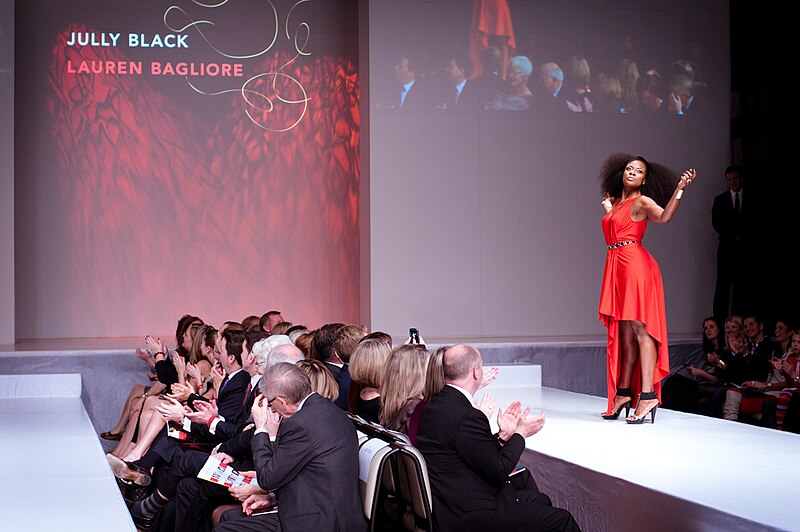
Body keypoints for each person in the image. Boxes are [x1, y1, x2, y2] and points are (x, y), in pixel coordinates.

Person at [416, 344, 580, 532]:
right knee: (561, 520)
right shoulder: (467, 415)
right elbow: (498, 471)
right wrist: (520, 434)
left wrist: (502, 437)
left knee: (540, 501)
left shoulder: (436, 405)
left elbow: (471, 452)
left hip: (449, 502)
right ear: (476, 372)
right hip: (468, 513)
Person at [598, 153, 697, 423]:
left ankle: (647, 395)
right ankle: (623, 393)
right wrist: (609, 209)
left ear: (645, 178)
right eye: (628, 169)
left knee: (642, 332)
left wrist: (679, 190)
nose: (631, 173)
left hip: (635, 267)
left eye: (638, 171)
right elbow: (618, 230)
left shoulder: (642, 201)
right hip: (618, 266)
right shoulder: (620, 202)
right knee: (626, 334)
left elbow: (664, 218)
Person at [214, 362, 367, 532]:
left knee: (225, 529)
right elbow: (303, 470)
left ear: (282, 401)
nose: (271, 409)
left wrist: (261, 428)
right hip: (323, 506)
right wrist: (271, 497)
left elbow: (267, 479)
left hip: (319, 520)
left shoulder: (300, 424)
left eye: (270, 404)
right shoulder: (326, 408)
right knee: (228, 517)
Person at [661, 317, 724, 414]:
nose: (708, 330)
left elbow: (720, 379)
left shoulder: (724, 349)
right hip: (706, 381)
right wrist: (696, 371)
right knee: (673, 380)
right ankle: (663, 410)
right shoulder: (710, 349)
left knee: (686, 391)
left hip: (719, 385)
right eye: (706, 328)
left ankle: (671, 412)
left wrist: (701, 372)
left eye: (711, 327)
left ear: (719, 329)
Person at [711, 165, 749, 320]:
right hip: (727, 250)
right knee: (723, 287)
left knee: (744, 287)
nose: (732, 182)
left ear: (741, 178)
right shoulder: (720, 200)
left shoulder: (752, 198)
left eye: (734, 178)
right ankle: (719, 322)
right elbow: (717, 223)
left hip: (747, 251)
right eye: (729, 180)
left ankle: (742, 321)